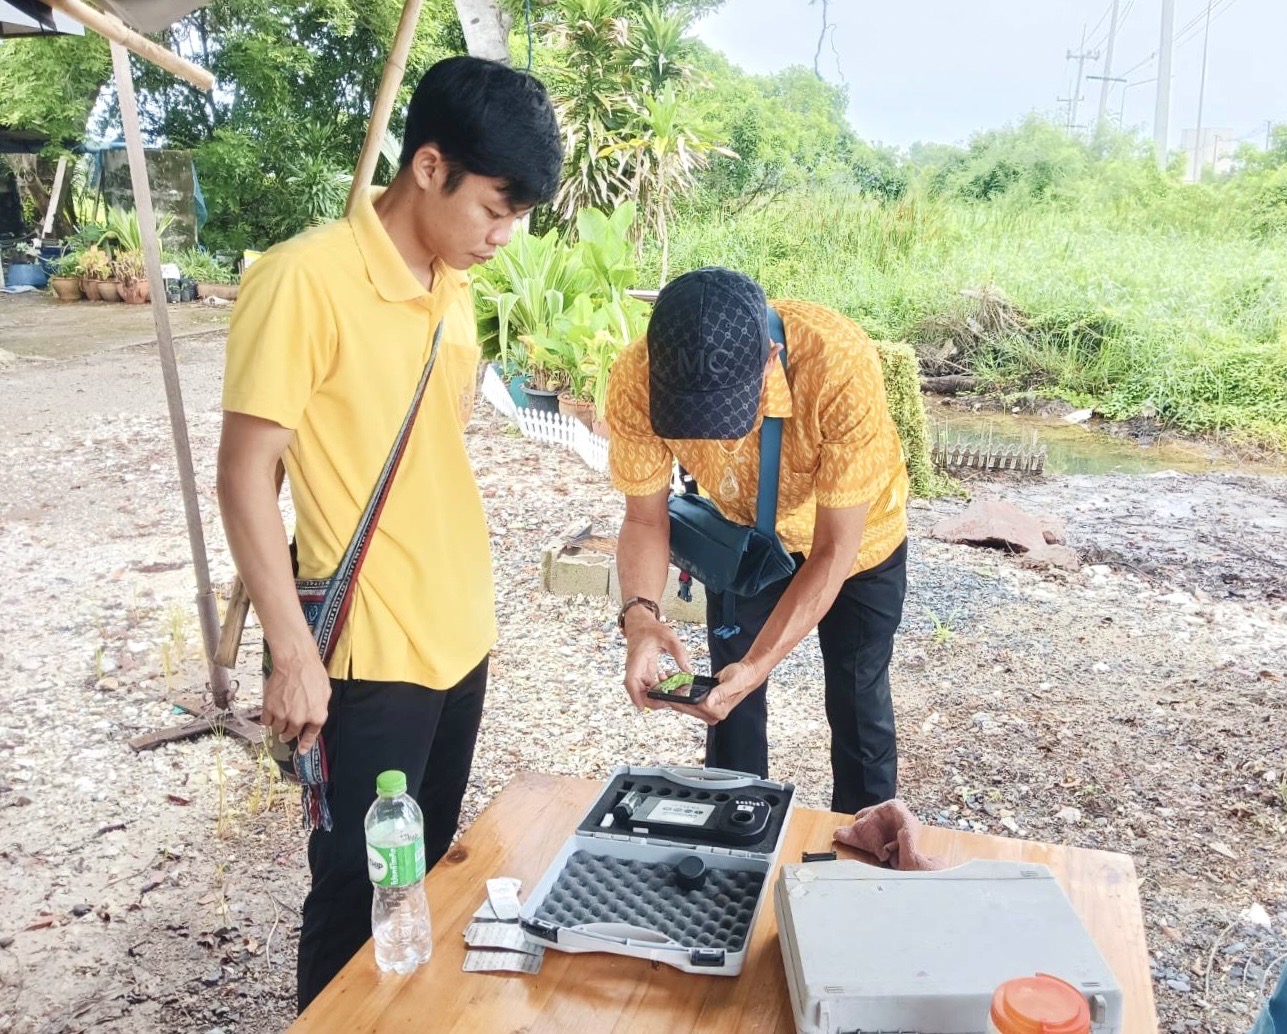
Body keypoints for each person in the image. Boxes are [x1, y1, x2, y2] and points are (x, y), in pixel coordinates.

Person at [216, 56, 561, 1011]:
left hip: (460, 633)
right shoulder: (302, 280)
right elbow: (244, 477)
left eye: (518, 214)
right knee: (355, 887)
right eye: (495, 206)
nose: (505, 234)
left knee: (425, 871)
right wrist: (292, 652)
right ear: (428, 167)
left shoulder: (453, 286)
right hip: (368, 655)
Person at [607, 266, 908, 814]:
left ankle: (866, 846)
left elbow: (834, 548)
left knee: (858, 698)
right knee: (728, 701)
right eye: (691, 422)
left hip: (858, 543)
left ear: (769, 359)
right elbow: (647, 521)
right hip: (745, 546)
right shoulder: (634, 377)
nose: (718, 442)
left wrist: (762, 661)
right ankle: (735, 832)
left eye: (727, 417)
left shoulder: (837, 363)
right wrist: (641, 618)